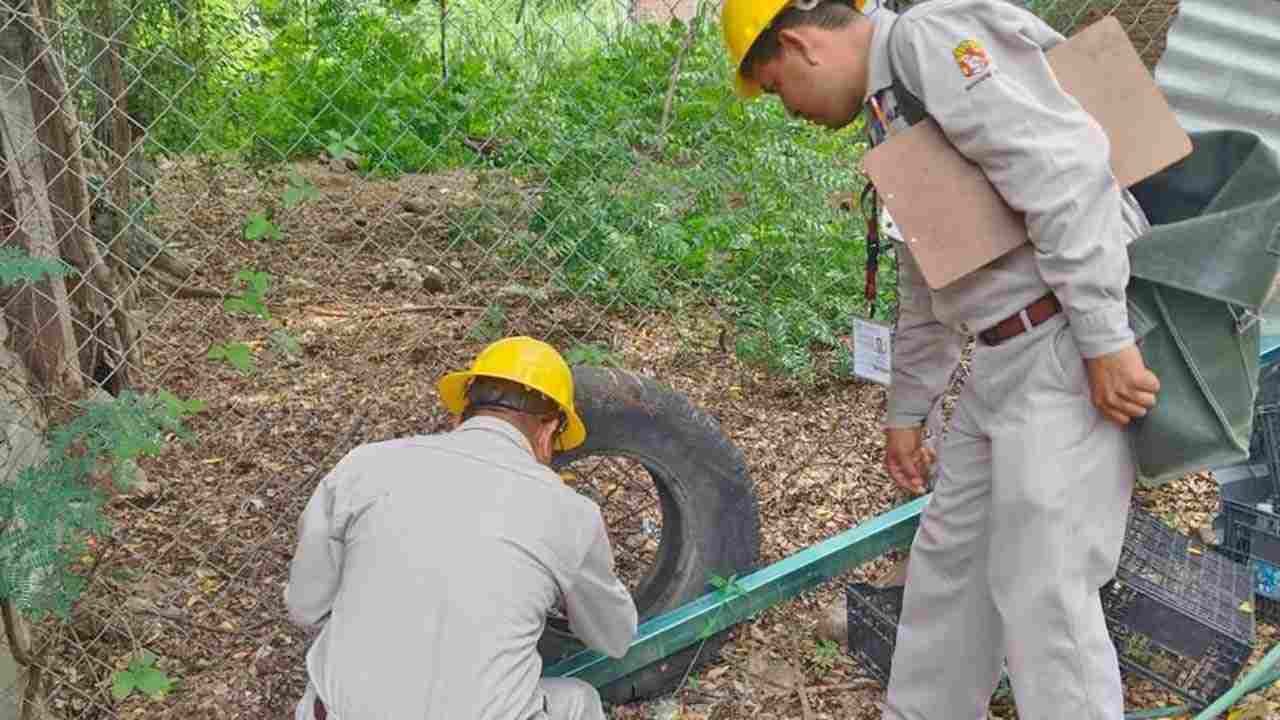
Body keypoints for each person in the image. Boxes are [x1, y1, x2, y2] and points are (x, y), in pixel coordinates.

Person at [718, 0, 1161, 718]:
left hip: (1063, 345)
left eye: (775, 89)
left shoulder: (930, 41)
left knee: (1044, 592)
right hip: (1000, 360)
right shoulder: (890, 106)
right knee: (948, 577)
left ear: (799, 45)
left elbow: (1065, 167)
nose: (786, 109)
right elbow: (931, 275)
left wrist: (1105, 338)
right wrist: (908, 410)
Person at [284, 336, 639, 720]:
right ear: (548, 430)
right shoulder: (571, 514)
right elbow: (615, 637)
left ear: (460, 414)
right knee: (579, 700)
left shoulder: (364, 465)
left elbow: (305, 607)